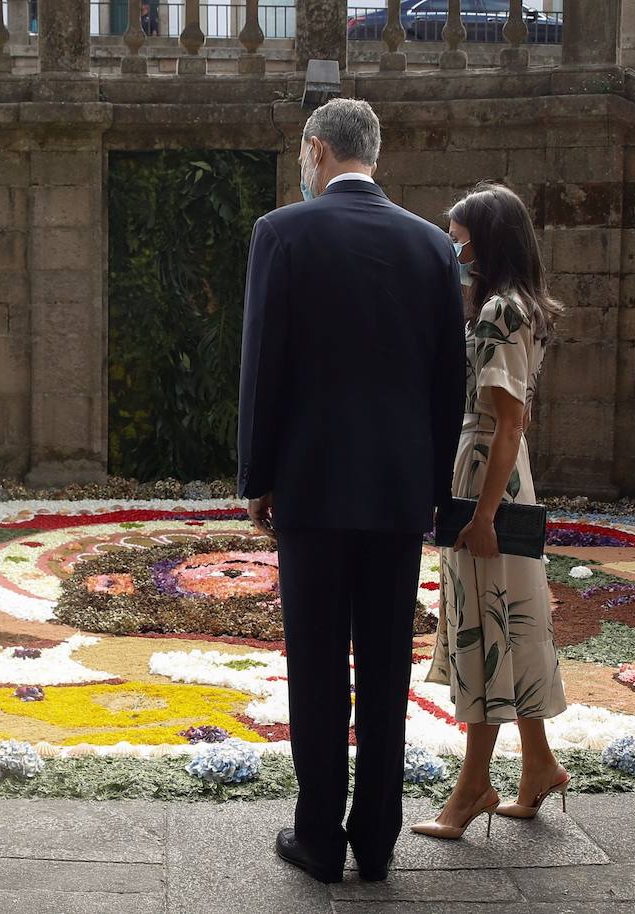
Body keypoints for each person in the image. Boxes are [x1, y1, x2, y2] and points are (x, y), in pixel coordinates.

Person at [237, 97, 465, 884]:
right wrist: (437, 489)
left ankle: (317, 838)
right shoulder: (434, 248)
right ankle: (377, 838)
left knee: (317, 666)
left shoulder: (282, 234)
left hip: (311, 482)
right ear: (374, 152)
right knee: (385, 666)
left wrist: (258, 479)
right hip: (401, 493)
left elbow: (264, 366)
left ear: (315, 151)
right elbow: (449, 384)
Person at [413, 183, 569, 839]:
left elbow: (508, 422)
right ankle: (538, 766)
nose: (453, 248)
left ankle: (474, 786)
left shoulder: (503, 311)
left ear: (487, 239)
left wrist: (479, 517)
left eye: (459, 237)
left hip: (489, 478)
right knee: (511, 618)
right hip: (498, 474)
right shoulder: (513, 306)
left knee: (484, 624)